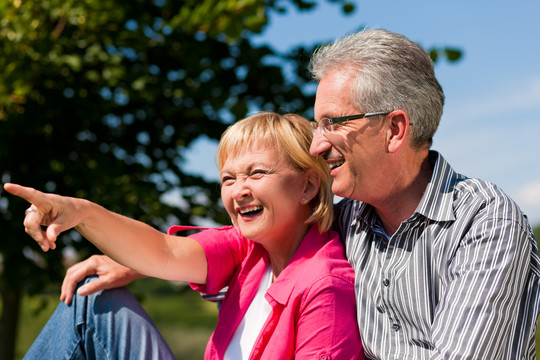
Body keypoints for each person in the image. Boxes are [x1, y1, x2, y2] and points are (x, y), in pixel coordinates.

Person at [4, 112, 364, 359]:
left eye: (256, 173)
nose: (239, 191)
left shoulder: (324, 287)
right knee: (90, 300)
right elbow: (163, 251)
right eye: (228, 178)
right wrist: (79, 212)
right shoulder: (250, 249)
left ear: (308, 185)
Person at [308, 28, 540, 359]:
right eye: (317, 125)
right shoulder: (340, 223)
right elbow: (250, 266)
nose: (316, 146)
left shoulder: (485, 221)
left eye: (332, 123)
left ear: (394, 130)